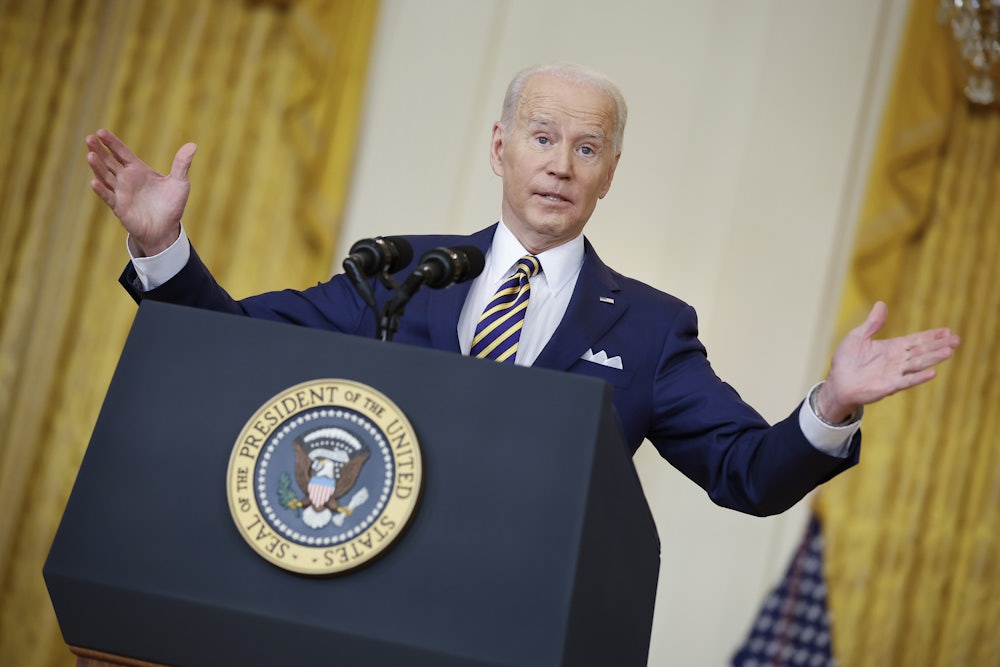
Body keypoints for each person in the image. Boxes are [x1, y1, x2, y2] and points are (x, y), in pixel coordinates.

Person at [85, 63, 960, 517]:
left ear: (610, 173)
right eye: (543, 136)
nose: (560, 163)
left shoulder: (653, 330)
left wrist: (834, 402)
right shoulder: (398, 268)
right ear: (500, 146)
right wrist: (160, 245)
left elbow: (749, 474)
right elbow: (239, 345)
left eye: (587, 148)